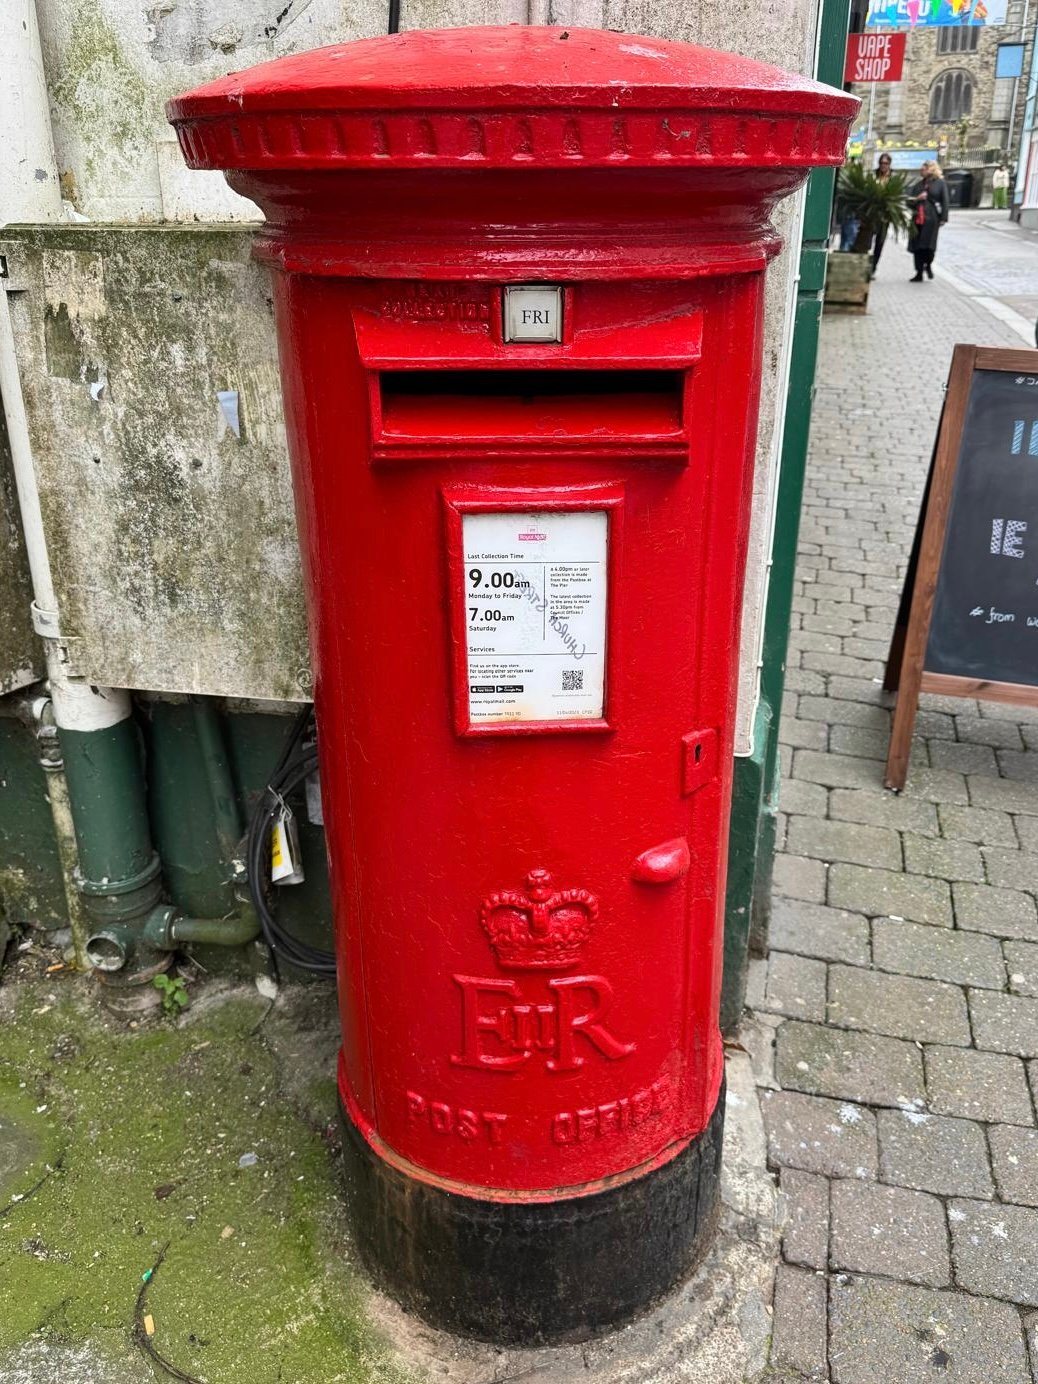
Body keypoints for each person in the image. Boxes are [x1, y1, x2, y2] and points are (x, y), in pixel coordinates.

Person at [907, 159, 948, 282]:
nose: (921, 171)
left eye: (923, 169)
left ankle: (928, 264)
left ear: (930, 169)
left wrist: (944, 218)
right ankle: (918, 272)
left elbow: (945, 201)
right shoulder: (918, 185)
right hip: (917, 219)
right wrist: (917, 198)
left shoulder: (940, 183)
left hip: (932, 219)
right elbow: (909, 201)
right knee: (917, 247)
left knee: (929, 246)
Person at [871, 152, 894, 274]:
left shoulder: (894, 177)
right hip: (872, 213)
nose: (883, 165)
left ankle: (873, 267)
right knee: (867, 241)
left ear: (889, 164)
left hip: (884, 216)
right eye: (881, 163)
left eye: (885, 163)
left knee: (879, 243)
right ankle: (866, 264)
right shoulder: (873, 175)